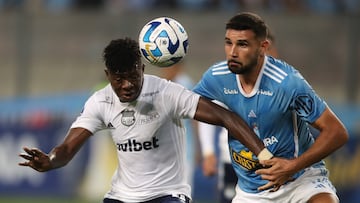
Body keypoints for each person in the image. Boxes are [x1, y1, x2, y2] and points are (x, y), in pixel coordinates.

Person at [18, 37, 273, 203]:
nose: (127, 86)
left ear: (142, 69)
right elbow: (68, 148)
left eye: (132, 76)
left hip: (168, 194)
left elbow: (225, 116)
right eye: (119, 79)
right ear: (108, 76)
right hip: (121, 196)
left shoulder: (166, 92)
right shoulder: (101, 101)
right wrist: (50, 161)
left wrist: (264, 156)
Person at [193, 12, 348, 203]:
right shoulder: (217, 77)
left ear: (263, 47)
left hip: (300, 181)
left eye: (242, 44)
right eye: (228, 43)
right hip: (251, 192)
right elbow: (189, 106)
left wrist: (292, 166)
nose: (232, 52)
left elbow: (337, 132)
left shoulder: (286, 83)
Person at [197, 29, 279, 203]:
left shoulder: (284, 85)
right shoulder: (228, 81)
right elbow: (208, 114)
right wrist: (208, 152)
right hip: (235, 162)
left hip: (273, 165)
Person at [160, 62, 198, 193]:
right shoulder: (164, 84)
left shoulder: (184, 85)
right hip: (166, 151)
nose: (165, 71)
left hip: (184, 150)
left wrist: (198, 147)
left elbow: (195, 119)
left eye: (167, 67)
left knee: (182, 191)